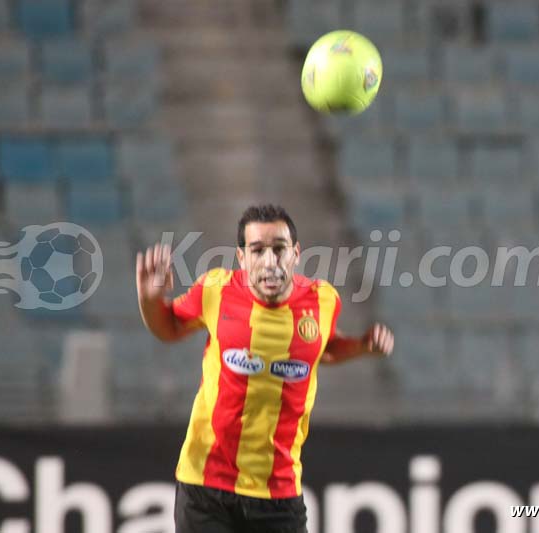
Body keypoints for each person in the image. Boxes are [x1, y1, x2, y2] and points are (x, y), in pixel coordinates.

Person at [135, 204, 394, 533]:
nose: (270, 261)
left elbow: (323, 350)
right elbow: (168, 328)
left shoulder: (322, 301)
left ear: (296, 253)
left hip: (278, 492)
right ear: (242, 258)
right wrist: (149, 301)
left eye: (279, 249)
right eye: (258, 250)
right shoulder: (216, 290)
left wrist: (361, 346)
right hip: (205, 484)